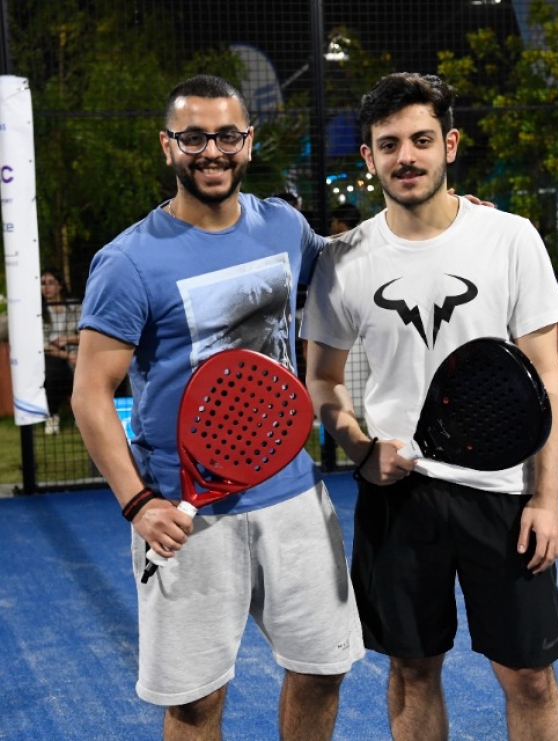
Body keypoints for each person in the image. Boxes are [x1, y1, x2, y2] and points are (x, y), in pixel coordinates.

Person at [71, 74, 364, 741]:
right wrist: (138, 503)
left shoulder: (283, 225)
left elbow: (351, 261)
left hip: (294, 497)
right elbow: (89, 393)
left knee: (323, 668)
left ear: (248, 142)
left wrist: (438, 218)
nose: (212, 151)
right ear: (167, 146)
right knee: (195, 705)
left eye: (227, 136)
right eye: (194, 137)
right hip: (187, 513)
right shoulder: (128, 261)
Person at [301, 72, 558, 741]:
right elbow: (322, 381)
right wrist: (362, 449)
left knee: (529, 676)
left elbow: (545, 376)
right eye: (389, 144)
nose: (406, 156)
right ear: (368, 157)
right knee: (412, 669)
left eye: (421, 140)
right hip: (399, 498)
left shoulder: (510, 237)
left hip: (503, 492)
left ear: (449, 144)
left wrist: (546, 499)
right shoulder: (343, 259)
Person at [41, 266, 81, 435]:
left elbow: (88, 334)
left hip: (77, 351)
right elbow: (42, 344)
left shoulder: (74, 307)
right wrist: (68, 355)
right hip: (51, 353)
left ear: (60, 285)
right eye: (43, 283)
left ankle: (84, 414)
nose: (46, 287)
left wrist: (67, 339)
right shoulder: (38, 311)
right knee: (55, 371)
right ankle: (52, 416)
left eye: (51, 283)